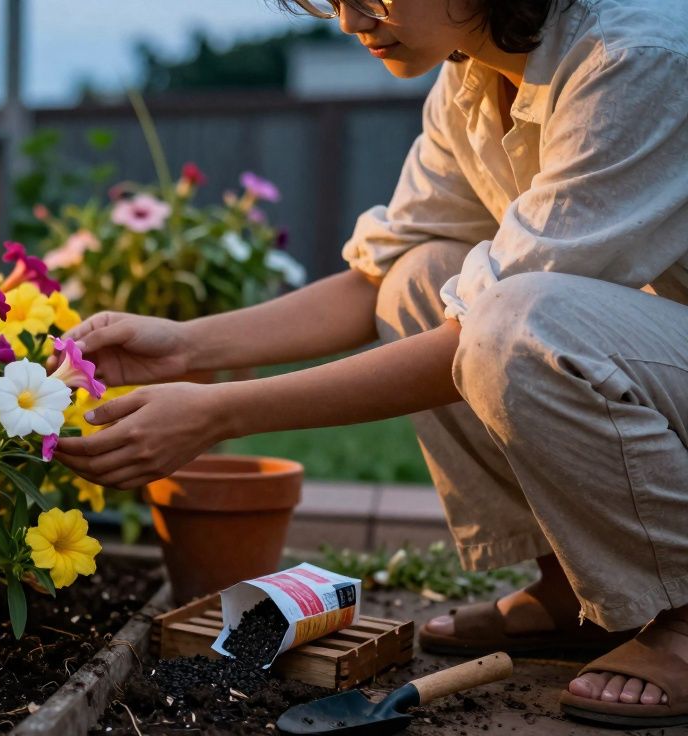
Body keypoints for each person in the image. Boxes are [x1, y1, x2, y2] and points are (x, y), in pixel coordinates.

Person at [53, 0, 688, 727]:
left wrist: (220, 412)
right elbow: (375, 280)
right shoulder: (473, 79)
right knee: (419, 278)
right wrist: (186, 347)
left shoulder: (636, 57)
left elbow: (500, 329)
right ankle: (573, 590)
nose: (352, 19)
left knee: (520, 321)